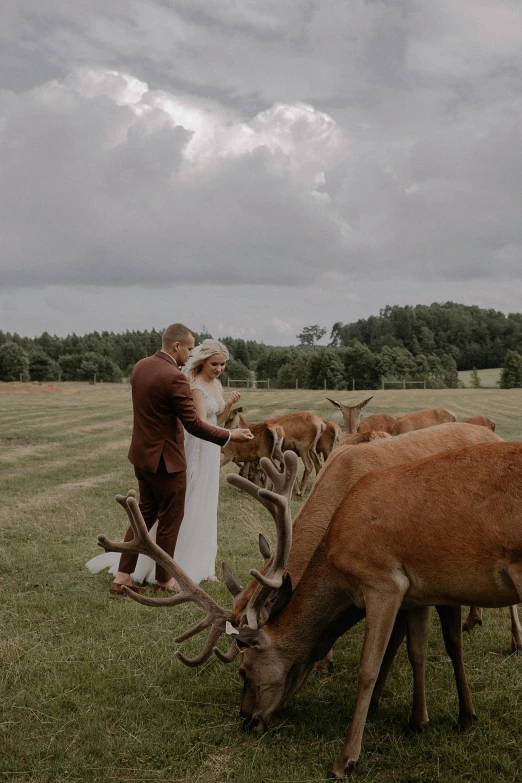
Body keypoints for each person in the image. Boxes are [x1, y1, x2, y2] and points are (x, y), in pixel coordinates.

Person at [86, 324, 252, 596]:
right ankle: (164, 579)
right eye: (188, 348)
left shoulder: (140, 366)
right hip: (166, 461)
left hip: (142, 455)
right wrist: (229, 434)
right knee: (171, 520)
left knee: (144, 516)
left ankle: (122, 576)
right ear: (176, 345)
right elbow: (194, 425)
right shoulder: (174, 377)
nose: (190, 354)